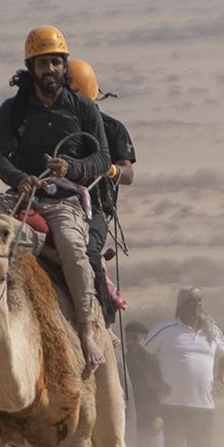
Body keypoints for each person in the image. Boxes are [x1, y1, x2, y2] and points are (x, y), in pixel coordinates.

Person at [0, 26, 110, 369]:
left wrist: (69, 167)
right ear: (32, 67)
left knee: (73, 247)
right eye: (43, 64)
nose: (51, 70)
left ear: (65, 65)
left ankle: (87, 330)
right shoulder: (12, 111)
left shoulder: (84, 109)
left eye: (56, 63)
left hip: (65, 202)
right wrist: (18, 178)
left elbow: (102, 160)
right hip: (23, 198)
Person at [142, 288, 224, 447]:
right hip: (173, 406)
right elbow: (145, 355)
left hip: (204, 407)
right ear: (180, 305)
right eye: (191, 301)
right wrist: (157, 383)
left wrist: (221, 379)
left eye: (199, 301)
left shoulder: (211, 331)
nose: (196, 305)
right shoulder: (166, 329)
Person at [66, 58, 136, 323]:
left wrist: (112, 170)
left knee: (89, 251)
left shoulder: (112, 129)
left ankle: (103, 320)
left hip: (92, 210)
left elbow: (128, 174)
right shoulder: (51, 128)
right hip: (50, 203)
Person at [120, 320, 165, 447]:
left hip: (150, 422)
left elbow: (162, 391)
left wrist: (160, 416)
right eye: (129, 337)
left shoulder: (155, 361)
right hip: (128, 424)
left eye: (136, 337)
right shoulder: (122, 362)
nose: (132, 341)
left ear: (145, 339)